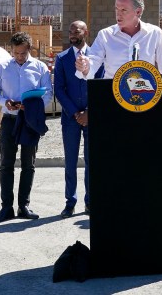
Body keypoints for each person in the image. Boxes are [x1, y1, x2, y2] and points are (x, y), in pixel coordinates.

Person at [0, 32, 52, 222]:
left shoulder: (41, 68)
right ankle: (6, 208)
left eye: (22, 53)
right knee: (6, 164)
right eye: (15, 53)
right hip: (10, 119)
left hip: (30, 120)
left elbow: (48, 94)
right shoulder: (3, 67)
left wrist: (32, 106)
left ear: (29, 50)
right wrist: (4, 101)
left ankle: (24, 206)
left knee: (28, 164)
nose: (19, 57)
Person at [54, 20, 103, 218]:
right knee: (71, 161)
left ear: (86, 32)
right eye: (70, 30)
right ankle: (70, 202)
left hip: (93, 118)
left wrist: (90, 112)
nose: (72, 33)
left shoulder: (98, 57)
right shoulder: (62, 58)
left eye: (77, 30)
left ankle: (90, 202)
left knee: (92, 161)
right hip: (70, 118)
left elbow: (101, 85)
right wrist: (76, 113)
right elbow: (59, 88)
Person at [74, 0, 162, 79]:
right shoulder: (105, 35)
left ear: (138, 12)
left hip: (145, 97)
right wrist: (85, 67)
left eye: (124, 10)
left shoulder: (154, 33)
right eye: (116, 9)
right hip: (113, 97)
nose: (118, 14)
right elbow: (92, 63)